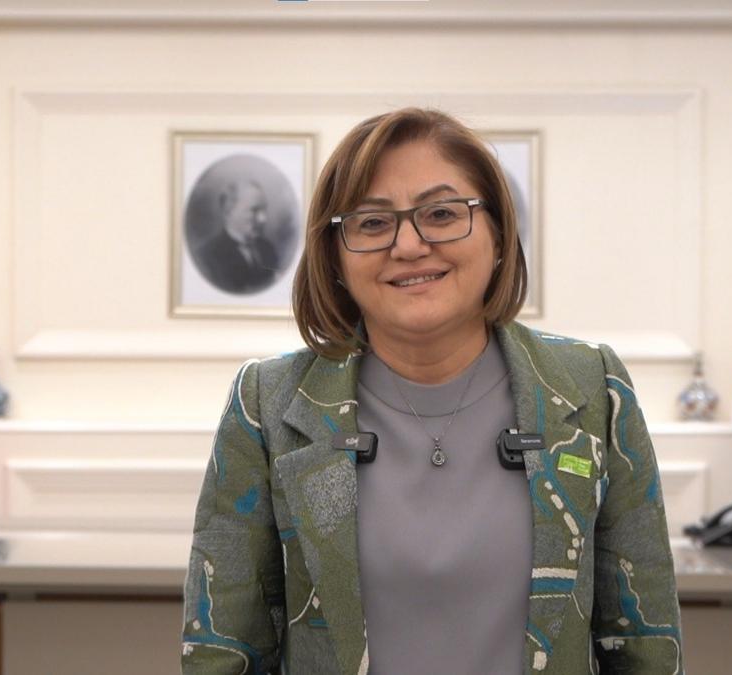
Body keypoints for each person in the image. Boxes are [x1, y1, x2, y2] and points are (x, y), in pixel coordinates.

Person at [182, 108, 683, 674]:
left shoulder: (592, 386)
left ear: (498, 234)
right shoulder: (268, 402)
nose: (409, 244)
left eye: (442, 213)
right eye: (373, 223)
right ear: (336, 256)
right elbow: (222, 653)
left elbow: (648, 647)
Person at [194, 178, 281, 294]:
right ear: (228, 211)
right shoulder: (206, 257)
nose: (263, 219)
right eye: (254, 210)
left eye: (264, 209)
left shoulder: (268, 249)